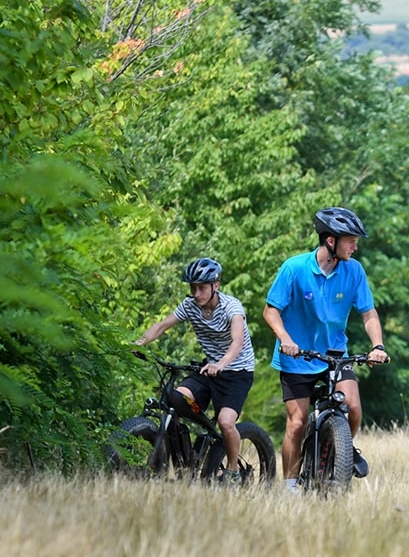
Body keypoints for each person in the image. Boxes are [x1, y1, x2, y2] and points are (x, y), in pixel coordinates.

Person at [263, 207, 388, 493]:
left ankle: (341, 450)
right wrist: (285, 339)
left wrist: (377, 346)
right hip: (298, 356)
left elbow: (368, 314)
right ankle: (290, 488)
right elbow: (271, 312)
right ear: (331, 241)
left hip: (334, 353)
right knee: (296, 423)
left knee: (353, 407)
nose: (355, 246)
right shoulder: (294, 268)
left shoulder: (353, 270)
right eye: (351, 240)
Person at [135, 258, 255, 485]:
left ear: (216, 286)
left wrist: (221, 364)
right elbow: (161, 326)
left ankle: (232, 472)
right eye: (193, 288)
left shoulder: (232, 308)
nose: (196, 293)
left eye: (201, 288)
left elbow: (237, 341)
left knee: (226, 422)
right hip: (208, 369)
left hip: (236, 371)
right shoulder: (190, 305)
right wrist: (138, 344)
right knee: (177, 399)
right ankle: (184, 460)